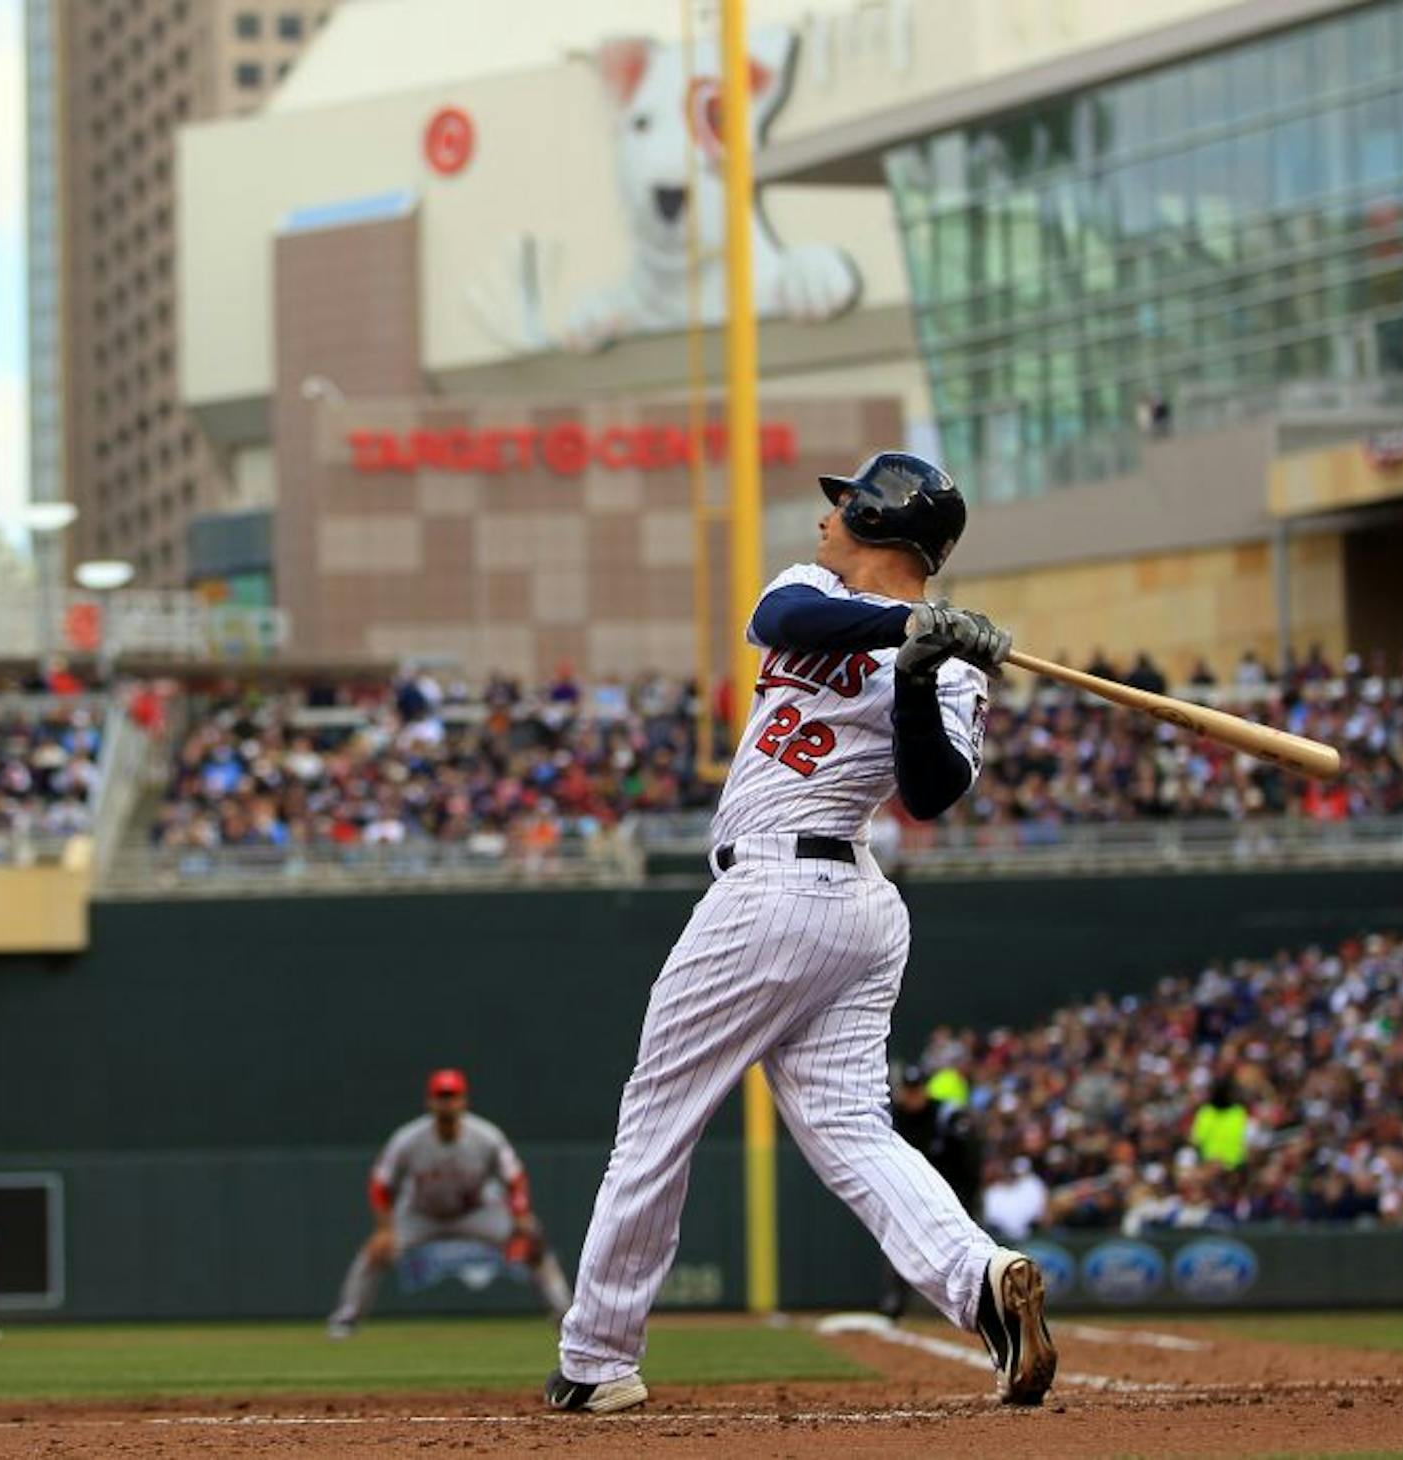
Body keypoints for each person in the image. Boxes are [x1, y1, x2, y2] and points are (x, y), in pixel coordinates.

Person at [546, 451, 1056, 1415]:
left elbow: (933, 791)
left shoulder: (952, 670)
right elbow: (779, 624)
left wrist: (916, 675)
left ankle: (596, 1358)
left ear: (877, 518)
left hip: (781, 890)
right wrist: (908, 627)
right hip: (843, 913)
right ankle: (981, 1280)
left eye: (843, 508)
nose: (825, 521)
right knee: (856, 1134)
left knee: (657, 1119)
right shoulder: (811, 590)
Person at [327, 1068, 571, 1337]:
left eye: (452, 1096)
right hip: (420, 1214)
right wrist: (384, 1229)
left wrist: (521, 1216)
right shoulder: (408, 1139)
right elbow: (380, 1184)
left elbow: (514, 1178)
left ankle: (566, 1318)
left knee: (534, 1244)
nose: (447, 1102)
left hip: (476, 1211)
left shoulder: (486, 1136)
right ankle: (346, 1319)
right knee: (373, 1253)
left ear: (464, 1100)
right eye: (441, 1096)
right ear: (429, 1101)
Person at [879, 1065, 982, 1318]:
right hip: (912, 1194)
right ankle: (897, 1300)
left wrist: (966, 1200)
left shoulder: (946, 1114)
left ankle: (976, 1303)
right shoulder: (894, 1116)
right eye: (909, 1090)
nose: (914, 1096)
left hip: (952, 1192)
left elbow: (970, 1160)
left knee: (966, 1248)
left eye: (918, 1090)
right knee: (901, 1244)